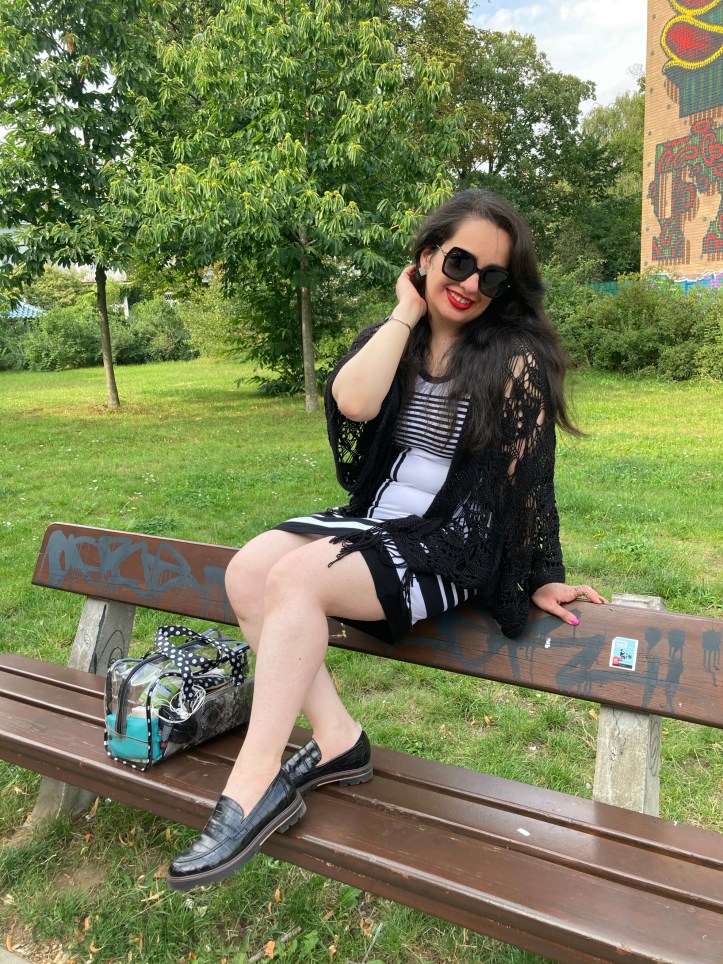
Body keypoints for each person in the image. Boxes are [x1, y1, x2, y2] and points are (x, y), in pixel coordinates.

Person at [166, 188, 607, 891]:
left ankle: (252, 789)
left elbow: (530, 479)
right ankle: (338, 740)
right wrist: (405, 312)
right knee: (249, 571)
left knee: (296, 579)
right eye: (457, 262)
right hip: (379, 515)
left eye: (491, 277)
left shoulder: (512, 357)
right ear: (426, 255)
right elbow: (354, 403)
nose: (469, 285)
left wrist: (541, 572)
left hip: (451, 538)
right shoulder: (394, 333)